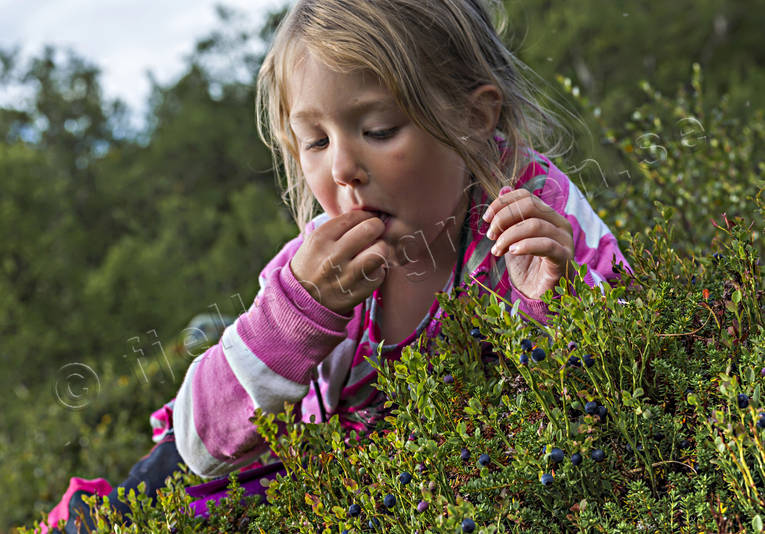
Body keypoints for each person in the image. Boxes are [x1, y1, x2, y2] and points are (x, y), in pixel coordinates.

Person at [41, 0, 630, 531]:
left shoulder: (532, 211)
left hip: (419, 478)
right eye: (315, 142)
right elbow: (200, 443)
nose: (343, 167)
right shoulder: (317, 265)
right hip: (316, 466)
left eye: (377, 129)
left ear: (475, 119)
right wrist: (298, 313)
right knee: (154, 504)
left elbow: (636, 359)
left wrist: (560, 305)